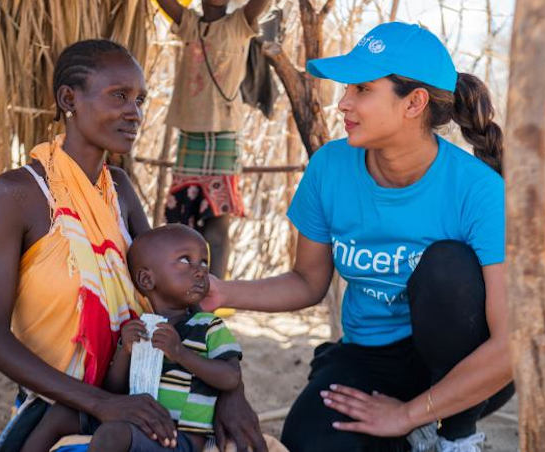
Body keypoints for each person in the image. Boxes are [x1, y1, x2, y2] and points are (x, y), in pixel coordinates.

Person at [201, 22, 515, 452]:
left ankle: (455, 437)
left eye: (362, 89)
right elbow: (307, 281)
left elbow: (510, 346)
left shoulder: (479, 190)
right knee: (307, 440)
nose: (342, 103)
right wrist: (221, 292)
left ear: (414, 103)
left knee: (446, 266)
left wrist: (405, 413)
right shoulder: (331, 167)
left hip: (465, 366)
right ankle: (412, 435)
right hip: (371, 357)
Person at [0, 39, 267, 452]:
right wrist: (101, 402)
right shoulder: (19, 193)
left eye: (140, 99)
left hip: (139, 393)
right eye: (119, 97)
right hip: (59, 408)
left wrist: (232, 395)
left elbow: (167, 292)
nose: (135, 113)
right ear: (68, 98)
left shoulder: (121, 190)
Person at [20, 224, 243, 452]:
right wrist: (123, 351)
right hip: (136, 421)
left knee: (114, 434)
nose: (200, 271)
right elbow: (115, 390)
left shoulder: (208, 327)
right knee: (60, 413)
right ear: (147, 280)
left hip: (178, 437)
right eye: (186, 261)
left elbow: (231, 377)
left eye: (204, 262)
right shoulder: (139, 326)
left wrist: (180, 354)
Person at [155, 0, 270, 278]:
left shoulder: (239, 24)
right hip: (189, 133)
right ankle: (181, 293)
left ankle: (213, 300)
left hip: (224, 134)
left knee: (217, 223)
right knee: (182, 220)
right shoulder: (190, 24)